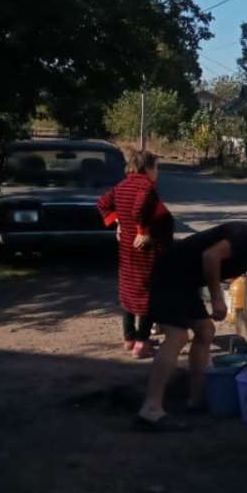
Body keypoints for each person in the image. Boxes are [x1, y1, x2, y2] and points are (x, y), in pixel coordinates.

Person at [136, 207, 247, 431]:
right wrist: (218, 298)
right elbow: (210, 256)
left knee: (205, 331)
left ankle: (196, 399)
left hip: (184, 281)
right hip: (169, 275)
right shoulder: (244, 234)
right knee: (177, 336)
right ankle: (151, 408)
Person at [97, 148, 173, 359]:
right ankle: (141, 343)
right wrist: (143, 231)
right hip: (145, 253)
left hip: (127, 252)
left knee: (128, 294)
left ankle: (129, 339)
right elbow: (141, 209)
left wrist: (119, 223)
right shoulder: (146, 187)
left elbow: (102, 204)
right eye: (156, 167)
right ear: (147, 167)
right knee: (148, 298)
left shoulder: (121, 185)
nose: (157, 172)